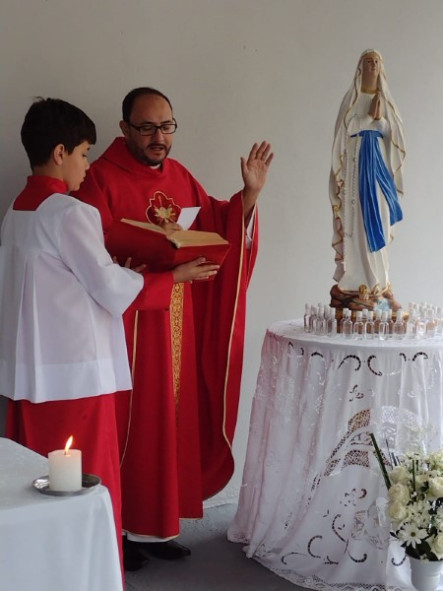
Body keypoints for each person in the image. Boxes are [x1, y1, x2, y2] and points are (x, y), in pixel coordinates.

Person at [0, 97, 212, 576]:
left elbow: (60, 284)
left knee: (33, 483)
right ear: (59, 153)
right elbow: (108, 288)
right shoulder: (68, 213)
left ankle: (39, 573)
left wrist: (114, 272)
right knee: (85, 486)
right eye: (82, 153)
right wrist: (172, 279)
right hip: (76, 377)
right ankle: (88, 573)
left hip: (31, 376)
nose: (86, 165)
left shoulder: (17, 211)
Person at [75, 86, 273, 570]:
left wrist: (248, 196)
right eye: (146, 127)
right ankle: (121, 529)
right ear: (124, 129)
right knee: (131, 428)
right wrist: (150, 268)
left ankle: (157, 525)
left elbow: (216, 226)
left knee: (170, 424)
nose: (159, 137)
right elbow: (85, 258)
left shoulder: (180, 176)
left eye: (166, 126)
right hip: (127, 328)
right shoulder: (98, 179)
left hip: (176, 323)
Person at [329, 49, 406, 311]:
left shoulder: (386, 101)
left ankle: (379, 284)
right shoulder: (351, 99)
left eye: (376, 62)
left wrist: (381, 120)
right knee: (357, 225)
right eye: (368, 62)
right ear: (360, 68)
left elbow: (393, 136)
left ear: (381, 69)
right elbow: (344, 132)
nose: (373, 65)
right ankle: (356, 282)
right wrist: (368, 118)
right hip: (356, 176)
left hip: (378, 175)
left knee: (381, 222)